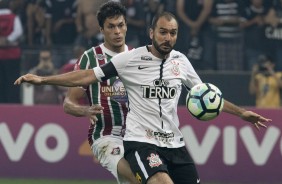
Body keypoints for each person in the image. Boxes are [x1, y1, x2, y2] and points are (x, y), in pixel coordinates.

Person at [15, 12, 271, 184]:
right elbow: (86, 77)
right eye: (162, 32)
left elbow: (207, 97)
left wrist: (242, 114)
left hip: (175, 143)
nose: (167, 38)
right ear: (151, 33)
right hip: (140, 141)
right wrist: (42, 79)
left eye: (172, 33)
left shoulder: (181, 62)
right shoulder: (130, 58)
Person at [63, 2, 138, 184]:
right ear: (101, 30)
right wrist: (85, 111)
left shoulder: (137, 57)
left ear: (126, 26)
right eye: (111, 27)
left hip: (137, 136)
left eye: (120, 25)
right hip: (106, 136)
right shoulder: (90, 58)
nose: (117, 31)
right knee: (142, 179)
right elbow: (68, 103)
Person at [0, 0, 23, 103]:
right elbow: (18, 31)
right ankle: (13, 105)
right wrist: (8, 39)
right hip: (12, 55)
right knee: (13, 82)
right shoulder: (14, 17)